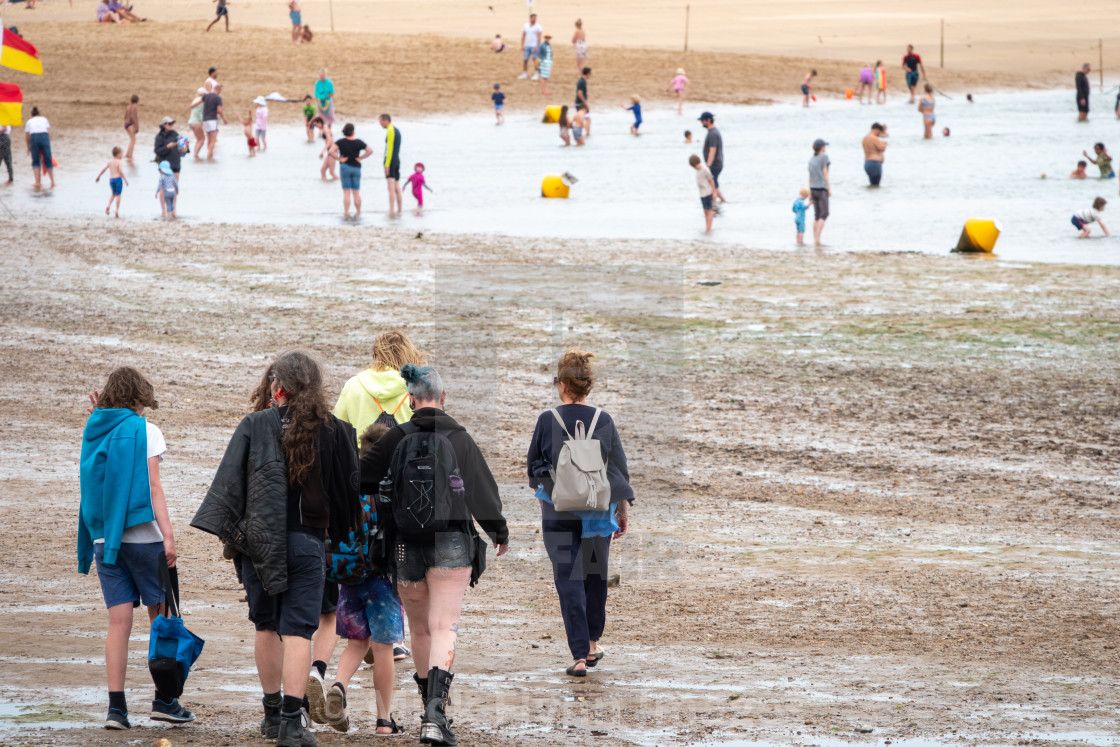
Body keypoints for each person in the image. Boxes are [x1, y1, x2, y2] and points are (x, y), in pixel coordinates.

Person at [193, 350, 361, 747]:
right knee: (299, 631)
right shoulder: (336, 431)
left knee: (266, 625)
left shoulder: (253, 425)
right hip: (307, 543)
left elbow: (227, 489)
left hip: (258, 545)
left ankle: (272, 717)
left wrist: (237, 540)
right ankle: (291, 722)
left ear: (277, 385)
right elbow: (348, 497)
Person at [358, 363, 509, 747]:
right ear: (443, 398)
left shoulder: (395, 437)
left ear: (410, 401)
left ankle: (429, 710)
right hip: (452, 543)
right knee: (445, 626)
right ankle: (434, 717)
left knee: (421, 629)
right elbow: (482, 493)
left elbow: (359, 479)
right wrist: (498, 532)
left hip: (405, 546)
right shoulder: (459, 438)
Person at [79, 367, 196, 730]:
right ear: (140, 398)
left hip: (104, 539)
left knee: (118, 623)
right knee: (160, 618)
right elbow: (154, 487)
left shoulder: (95, 428)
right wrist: (169, 537)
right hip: (144, 540)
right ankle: (164, 700)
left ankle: (116, 709)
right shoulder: (146, 430)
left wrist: (98, 414)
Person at [527, 350, 633, 678]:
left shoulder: (548, 420)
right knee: (594, 576)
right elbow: (618, 469)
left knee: (567, 577)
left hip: (557, 510)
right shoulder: (604, 420)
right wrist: (623, 509)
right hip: (598, 511)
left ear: (561, 384)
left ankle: (578, 657)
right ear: (588, 385)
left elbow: (533, 469)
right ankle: (590, 642)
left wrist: (551, 489)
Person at [321, 420, 405, 736]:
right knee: (383, 648)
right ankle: (384, 720)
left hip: (347, 573)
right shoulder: (388, 487)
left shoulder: (350, 486)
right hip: (381, 578)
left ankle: (339, 686)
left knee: (356, 642)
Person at [330, 122, 373, 219]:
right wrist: (361, 157)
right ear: (353, 131)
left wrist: (339, 159)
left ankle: (346, 212)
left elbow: (331, 151)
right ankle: (358, 212)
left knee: (346, 192)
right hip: (356, 167)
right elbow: (370, 150)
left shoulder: (340, 142)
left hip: (345, 167)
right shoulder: (359, 142)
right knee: (356, 192)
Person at [24, 106, 54, 190]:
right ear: (39, 114)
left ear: (31, 115)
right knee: (48, 159)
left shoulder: (29, 121)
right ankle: (52, 182)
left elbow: (27, 136)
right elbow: (48, 132)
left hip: (34, 137)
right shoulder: (44, 119)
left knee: (36, 161)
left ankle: (37, 182)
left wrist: (28, 147)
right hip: (44, 136)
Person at [808, 138, 831, 246]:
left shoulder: (811, 159)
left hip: (813, 188)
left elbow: (810, 176)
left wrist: (809, 192)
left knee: (816, 215)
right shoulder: (824, 157)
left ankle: (815, 239)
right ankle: (818, 239)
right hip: (821, 188)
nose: (825, 148)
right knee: (824, 214)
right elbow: (825, 172)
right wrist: (829, 188)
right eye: (824, 146)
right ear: (822, 148)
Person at [699, 111, 725, 204]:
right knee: (713, 183)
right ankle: (721, 202)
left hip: (714, 164)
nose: (701, 123)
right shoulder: (712, 132)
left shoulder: (713, 133)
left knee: (712, 184)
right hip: (716, 163)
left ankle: (715, 204)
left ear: (708, 120)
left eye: (702, 121)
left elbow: (712, 151)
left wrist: (708, 166)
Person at [379, 114, 402, 216]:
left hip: (391, 160)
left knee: (391, 186)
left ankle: (391, 210)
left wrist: (387, 165)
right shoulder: (397, 130)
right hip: (397, 159)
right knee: (397, 185)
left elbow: (389, 149)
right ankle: (400, 209)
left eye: (380, 122)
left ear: (386, 120)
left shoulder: (390, 130)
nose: (380, 124)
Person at [96, 146, 128, 217]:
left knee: (113, 194)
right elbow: (120, 171)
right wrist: (125, 180)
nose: (122, 155)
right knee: (118, 195)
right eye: (121, 154)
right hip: (118, 179)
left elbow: (104, 169)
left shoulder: (110, 161)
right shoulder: (119, 162)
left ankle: (108, 206)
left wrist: (99, 176)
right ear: (118, 154)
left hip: (111, 180)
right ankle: (117, 210)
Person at [689, 153, 715, 233]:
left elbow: (711, 180)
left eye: (695, 166)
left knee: (709, 210)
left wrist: (714, 192)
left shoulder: (705, 169)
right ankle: (706, 226)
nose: (694, 168)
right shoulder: (698, 171)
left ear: (698, 163)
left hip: (708, 192)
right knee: (705, 211)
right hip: (702, 194)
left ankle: (708, 228)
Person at [201, 83, 227, 159]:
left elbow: (201, 103)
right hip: (212, 119)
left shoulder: (206, 96)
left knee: (208, 139)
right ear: (219, 90)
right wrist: (223, 118)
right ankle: (209, 156)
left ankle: (209, 154)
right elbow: (219, 110)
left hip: (205, 119)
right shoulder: (218, 98)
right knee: (213, 140)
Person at [154, 116, 182, 182]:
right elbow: (157, 151)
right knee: (164, 188)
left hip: (176, 165)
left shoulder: (175, 134)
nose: (171, 125)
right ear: (164, 125)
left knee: (175, 188)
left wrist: (184, 150)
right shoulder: (159, 137)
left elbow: (181, 147)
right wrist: (168, 147)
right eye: (169, 124)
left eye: (172, 123)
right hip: (165, 167)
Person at [862, 122, 887, 186]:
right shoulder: (874, 138)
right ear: (877, 130)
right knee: (876, 185)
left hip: (867, 162)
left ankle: (871, 195)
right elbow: (882, 148)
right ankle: (876, 196)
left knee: (872, 184)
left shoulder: (865, 138)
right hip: (874, 163)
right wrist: (884, 143)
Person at [314, 117, 338, 181]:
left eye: (316, 124)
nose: (316, 126)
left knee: (332, 172)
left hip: (332, 150)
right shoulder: (323, 130)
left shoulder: (325, 129)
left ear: (320, 123)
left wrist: (323, 152)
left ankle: (343, 182)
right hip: (329, 151)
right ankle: (325, 186)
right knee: (322, 170)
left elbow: (329, 140)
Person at [520, 13, 543, 79]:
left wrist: (537, 46)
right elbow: (523, 35)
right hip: (527, 45)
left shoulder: (538, 26)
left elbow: (539, 37)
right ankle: (524, 74)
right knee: (525, 60)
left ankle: (536, 74)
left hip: (534, 45)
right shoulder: (525, 26)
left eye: (535, 18)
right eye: (533, 18)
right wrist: (522, 45)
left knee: (535, 60)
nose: (534, 19)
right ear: (530, 18)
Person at [188, 87, 207, 159]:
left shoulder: (195, 100)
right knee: (202, 139)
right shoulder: (201, 102)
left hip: (191, 122)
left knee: (199, 139)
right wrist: (201, 121)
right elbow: (199, 113)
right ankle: (195, 154)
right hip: (196, 122)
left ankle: (195, 154)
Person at [575, 67, 591, 135]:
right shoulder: (582, 81)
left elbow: (581, 92)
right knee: (587, 119)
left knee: (583, 118)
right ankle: (587, 133)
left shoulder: (582, 80)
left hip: (578, 103)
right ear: (588, 74)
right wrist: (585, 103)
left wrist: (586, 93)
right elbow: (579, 94)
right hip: (581, 104)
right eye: (590, 73)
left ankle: (582, 133)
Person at [123, 95, 139, 161]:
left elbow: (125, 116)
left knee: (131, 140)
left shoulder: (128, 106)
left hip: (126, 123)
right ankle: (130, 156)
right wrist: (136, 127)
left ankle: (127, 154)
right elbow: (134, 117)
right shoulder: (135, 107)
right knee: (133, 140)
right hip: (130, 124)